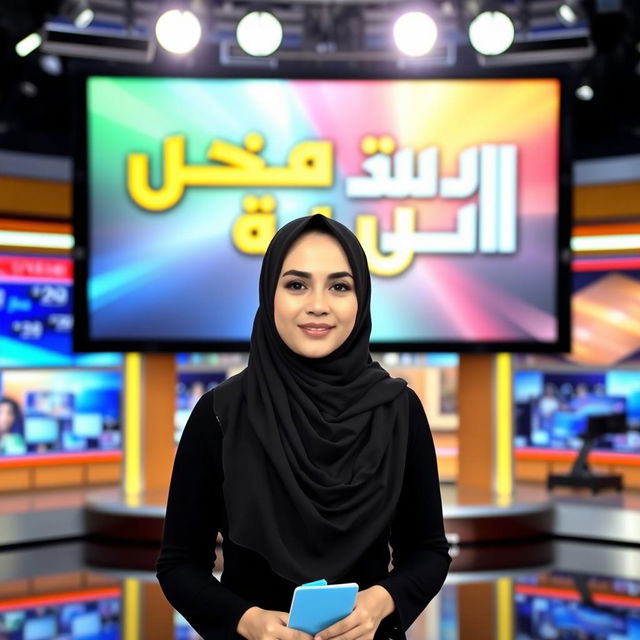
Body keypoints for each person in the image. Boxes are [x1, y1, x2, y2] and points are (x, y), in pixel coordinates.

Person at [156, 214, 451, 640]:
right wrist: (247, 620)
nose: (318, 304)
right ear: (268, 294)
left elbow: (428, 552)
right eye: (296, 285)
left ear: (361, 298)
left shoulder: (399, 410)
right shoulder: (219, 414)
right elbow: (179, 564)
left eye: (339, 286)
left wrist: (379, 602)